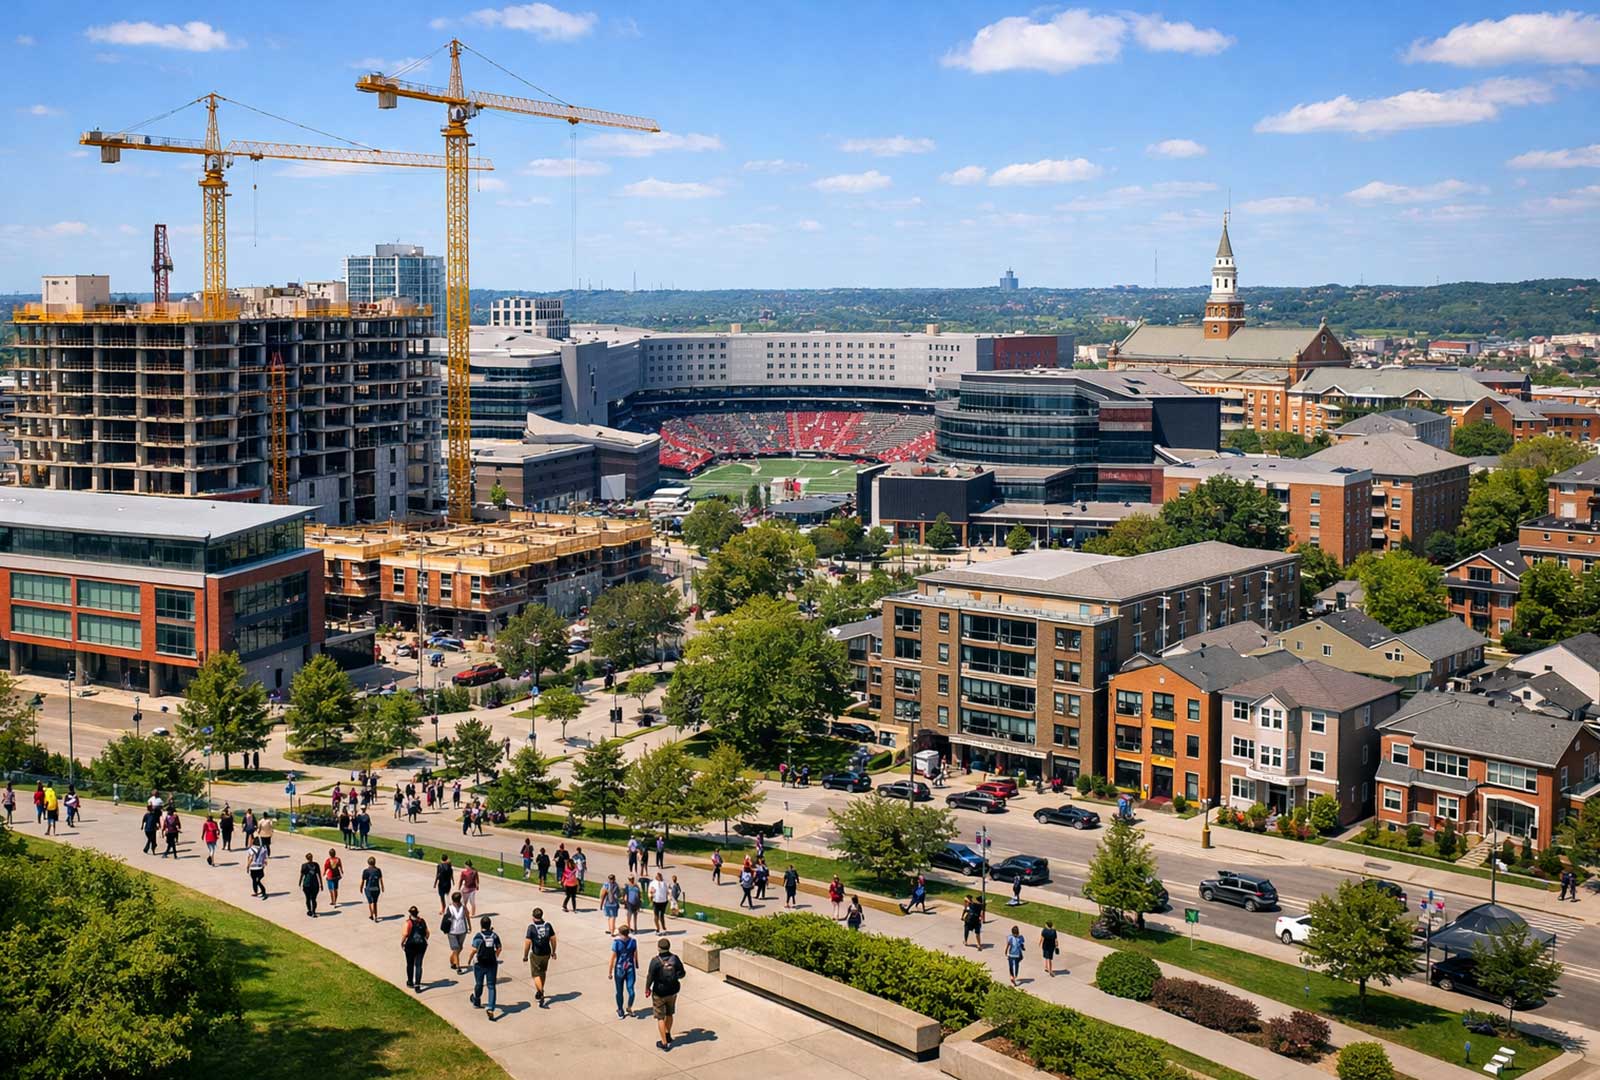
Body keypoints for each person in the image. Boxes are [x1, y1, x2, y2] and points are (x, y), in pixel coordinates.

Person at [645, 938, 686, 1051]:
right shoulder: (675, 959)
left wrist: (647, 988)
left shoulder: (655, 961)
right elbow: (682, 974)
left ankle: (664, 1043)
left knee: (660, 1017)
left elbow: (650, 976)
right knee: (670, 1013)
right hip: (673, 991)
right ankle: (668, 1034)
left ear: (659, 947)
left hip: (659, 992)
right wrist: (674, 976)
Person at [467, 916, 503, 1019]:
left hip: (479, 964)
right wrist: (495, 956)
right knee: (491, 986)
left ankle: (476, 999)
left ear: (481, 925)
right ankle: (490, 1008)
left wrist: (469, 959)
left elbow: (474, 949)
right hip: (492, 964)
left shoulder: (478, 936)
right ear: (490, 925)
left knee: (479, 983)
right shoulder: (495, 936)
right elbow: (499, 948)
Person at [522, 907, 557, 1006]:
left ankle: (540, 992)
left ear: (533, 917)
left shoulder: (531, 927)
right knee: (542, 972)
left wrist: (525, 955)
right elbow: (553, 939)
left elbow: (528, 942)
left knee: (535, 974)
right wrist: (553, 952)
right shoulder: (548, 925)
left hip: (536, 954)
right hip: (546, 953)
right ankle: (539, 991)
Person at [609, 924, 639, 1017]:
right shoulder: (633, 941)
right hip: (630, 968)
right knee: (631, 990)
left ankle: (620, 1010)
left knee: (619, 991)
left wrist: (610, 972)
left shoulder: (616, 943)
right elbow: (635, 953)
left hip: (619, 969)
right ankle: (629, 1007)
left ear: (620, 933)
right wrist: (636, 963)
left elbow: (612, 958)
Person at [402, 905, 430, 991]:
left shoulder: (408, 922)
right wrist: (424, 940)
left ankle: (410, 982)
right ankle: (417, 985)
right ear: (417, 913)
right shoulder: (422, 921)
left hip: (410, 945)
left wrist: (402, 943)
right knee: (418, 965)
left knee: (410, 964)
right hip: (421, 945)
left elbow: (405, 934)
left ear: (410, 913)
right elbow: (427, 933)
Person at [444, 891, 470, 972]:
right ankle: (458, 966)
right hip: (452, 931)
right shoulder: (450, 908)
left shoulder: (463, 907)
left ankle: (452, 960)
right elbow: (446, 920)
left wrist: (469, 926)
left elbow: (467, 916)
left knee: (460, 948)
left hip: (462, 930)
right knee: (456, 949)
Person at [361, 856, 384, 921]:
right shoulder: (378, 870)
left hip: (369, 889)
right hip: (377, 888)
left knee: (370, 902)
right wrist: (382, 887)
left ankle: (372, 914)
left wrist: (361, 888)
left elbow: (363, 881)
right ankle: (375, 916)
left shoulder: (366, 871)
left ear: (368, 863)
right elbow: (381, 880)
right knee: (375, 902)